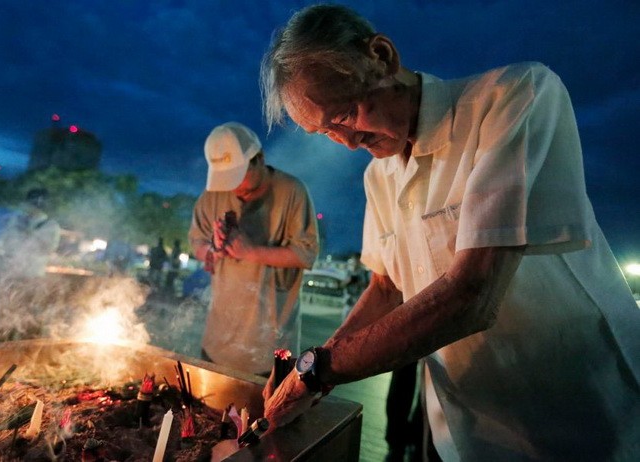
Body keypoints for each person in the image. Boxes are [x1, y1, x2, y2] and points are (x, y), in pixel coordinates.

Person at [259, 4, 640, 461]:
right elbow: (386, 287)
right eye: (324, 133)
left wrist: (319, 369)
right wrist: (313, 367)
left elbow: (473, 293)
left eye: (345, 115)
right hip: (469, 433)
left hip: (581, 417)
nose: (347, 142)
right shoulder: (378, 178)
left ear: (381, 56)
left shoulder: (512, 98)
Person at [188, 122, 319, 375]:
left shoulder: (291, 191)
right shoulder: (211, 196)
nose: (233, 187)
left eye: (238, 176)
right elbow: (197, 243)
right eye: (225, 178)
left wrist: (250, 252)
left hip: (270, 348)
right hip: (218, 342)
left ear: (259, 158)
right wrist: (213, 249)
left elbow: (307, 253)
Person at [0, 188, 61, 340]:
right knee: (5, 320)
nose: (32, 206)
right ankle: (2, 353)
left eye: (36, 202)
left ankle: (27, 357)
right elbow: (7, 244)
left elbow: (47, 248)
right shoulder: (15, 221)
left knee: (29, 321)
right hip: (11, 277)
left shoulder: (50, 226)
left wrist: (29, 233)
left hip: (32, 278)